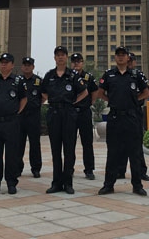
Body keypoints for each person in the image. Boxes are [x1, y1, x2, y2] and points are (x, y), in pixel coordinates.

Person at [97, 46, 149, 196]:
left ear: (128, 58)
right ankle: (108, 185)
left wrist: (134, 101)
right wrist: (111, 100)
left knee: (134, 152)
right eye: (118, 55)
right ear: (115, 57)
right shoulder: (109, 74)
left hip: (131, 117)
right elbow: (100, 93)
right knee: (113, 152)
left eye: (123, 55)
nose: (121, 57)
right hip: (115, 118)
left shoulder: (135, 74)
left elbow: (146, 92)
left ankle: (137, 185)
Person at [41, 46, 88, 194]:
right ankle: (56, 183)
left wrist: (73, 102)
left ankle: (68, 183)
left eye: (63, 55)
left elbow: (84, 92)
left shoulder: (73, 75)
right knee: (55, 150)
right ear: (54, 58)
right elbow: (43, 92)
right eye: (58, 55)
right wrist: (53, 100)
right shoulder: (49, 75)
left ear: (66, 57)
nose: (60, 57)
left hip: (69, 114)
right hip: (54, 113)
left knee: (69, 149)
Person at [0, 53, 27, 194]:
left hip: (11, 123)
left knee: (11, 154)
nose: (3, 64)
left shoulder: (18, 81)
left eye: (6, 62)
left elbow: (24, 99)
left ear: (12, 65)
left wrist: (16, 112)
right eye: (1, 62)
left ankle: (11, 183)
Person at [117, 52, 149, 181]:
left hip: (135, 112)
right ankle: (120, 171)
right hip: (121, 113)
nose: (129, 63)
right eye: (128, 61)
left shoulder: (138, 75)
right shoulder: (119, 75)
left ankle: (141, 171)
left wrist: (135, 99)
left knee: (136, 143)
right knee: (121, 143)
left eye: (131, 61)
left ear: (135, 62)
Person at [70, 53, 98, 180]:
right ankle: (69, 169)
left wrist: (89, 103)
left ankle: (89, 170)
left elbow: (95, 92)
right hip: (70, 113)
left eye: (79, 61)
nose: (76, 63)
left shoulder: (88, 77)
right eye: (74, 61)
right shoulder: (67, 76)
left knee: (87, 143)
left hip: (84, 112)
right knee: (70, 143)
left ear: (82, 63)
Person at [17, 57, 43, 178]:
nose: (27, 67)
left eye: (29, 65)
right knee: (18, 143)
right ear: (22, 67)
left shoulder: (38, 81)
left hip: (34, 116)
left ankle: (36, 168)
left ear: (33, 67)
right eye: (25, 65)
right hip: (20, 116)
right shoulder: (17, 80)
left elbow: (44, 96)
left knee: (35, 143)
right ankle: (17, 168)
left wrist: (36, 105)